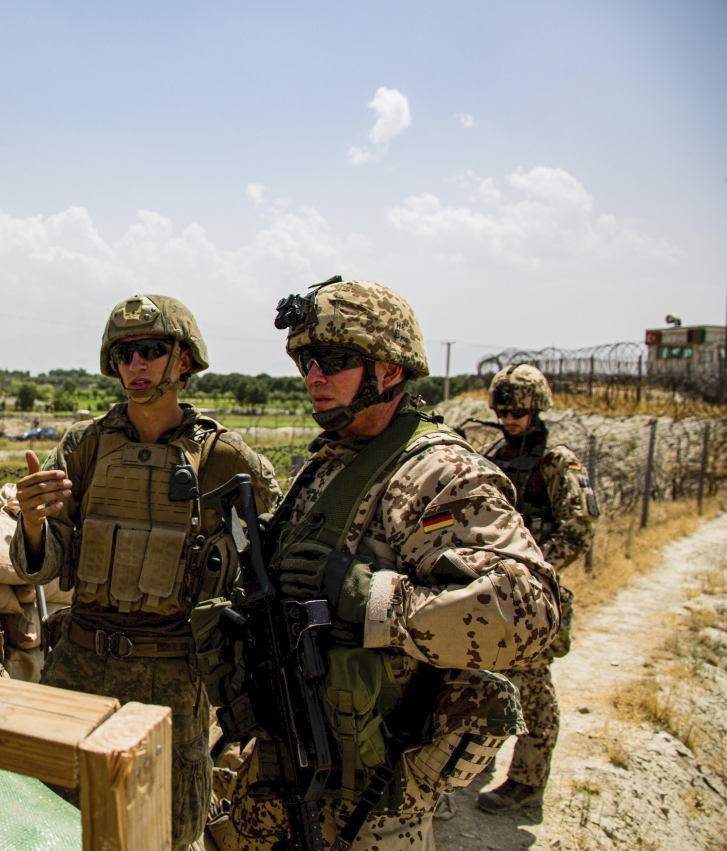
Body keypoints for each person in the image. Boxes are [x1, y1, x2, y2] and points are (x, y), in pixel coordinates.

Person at [203, 277, 561, 851]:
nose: (314, 378)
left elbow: (529, 613)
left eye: (333, 360)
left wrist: (370, 597)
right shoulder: (334, 460)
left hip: (370, 801)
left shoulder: (439, 473)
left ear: (390, 371)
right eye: (306, 363)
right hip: (281, 761)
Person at [11, 294, 281, 849]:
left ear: (183, 361)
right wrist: (35, 527)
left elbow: (265, 571)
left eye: (151, 350)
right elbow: (46, 562)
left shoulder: (227, 460)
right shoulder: (85, 446)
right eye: (125, 353)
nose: (136, 365)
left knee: (165, 831)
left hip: (172, 678)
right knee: (50, 818)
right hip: (82, 662)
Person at [475, 364, 599, 814]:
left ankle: (526, 782)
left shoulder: (556, 462)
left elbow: (579, 530)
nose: (509, 420)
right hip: (491, 588)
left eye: (519, 412)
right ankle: (478, 759)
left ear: (537, 409)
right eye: (503, 411)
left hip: (533, 592)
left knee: (532, 686)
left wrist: (532, 563)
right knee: (483, 676)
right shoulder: (493, 456)